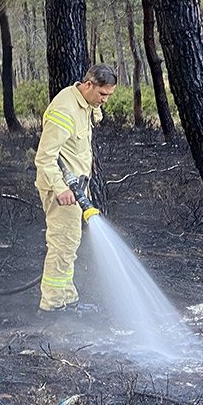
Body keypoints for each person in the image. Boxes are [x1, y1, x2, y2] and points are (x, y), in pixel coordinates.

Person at [33, 64, 117, 312]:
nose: (104, 100)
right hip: (62, 191)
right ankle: (52, 306)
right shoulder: (64, 109)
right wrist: (61, 189)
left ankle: (66, 298)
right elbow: (44, 157)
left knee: (70, 243)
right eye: (102, 95)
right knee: (63, 244)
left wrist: (97, 107)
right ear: (89, 85)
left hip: (77, 185)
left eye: (109, 96)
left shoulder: (85, 103)